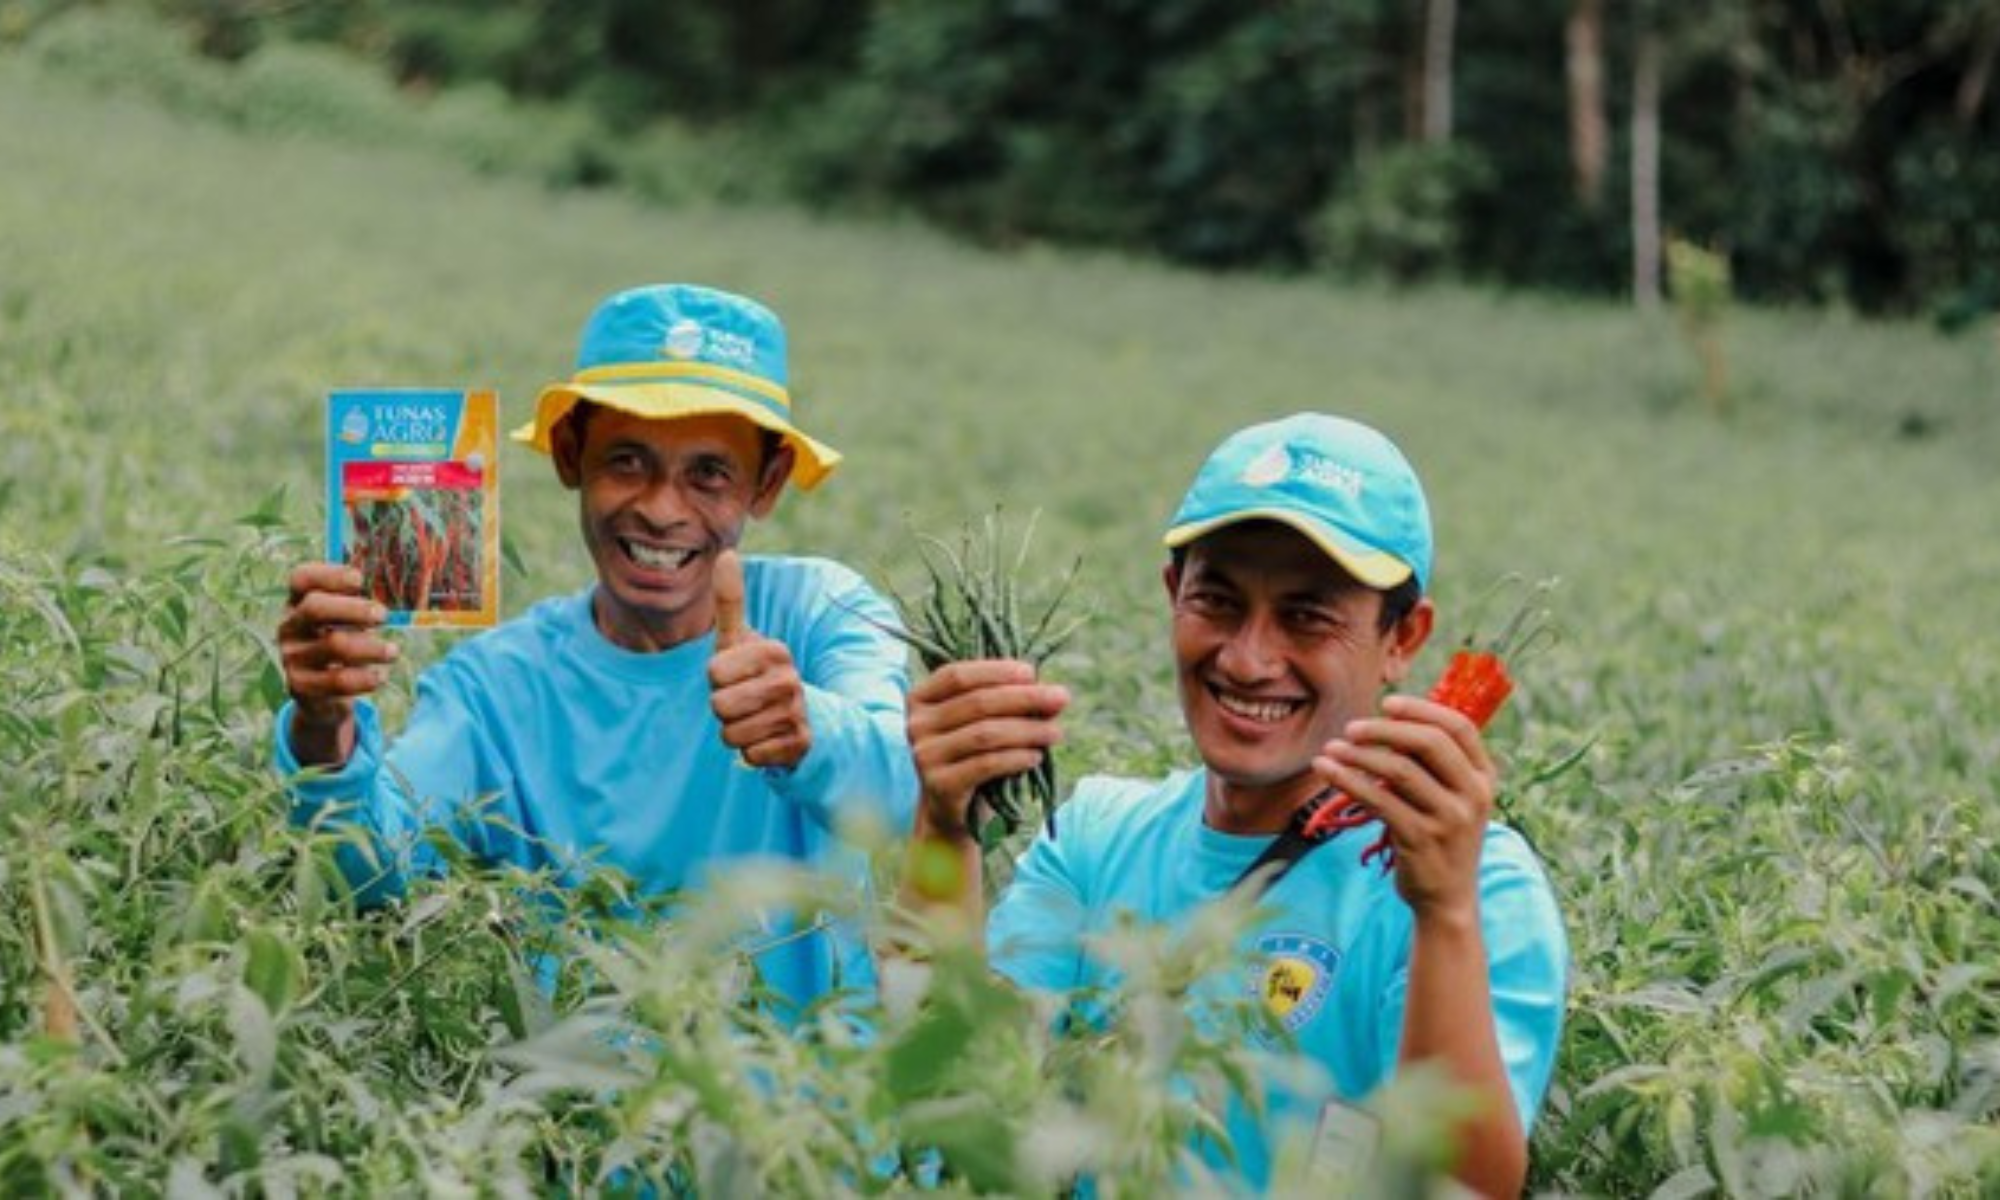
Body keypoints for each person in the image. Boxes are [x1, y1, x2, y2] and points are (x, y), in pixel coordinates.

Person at [901, 413, 1567, 1195]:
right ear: (1172, 593)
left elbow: (1461, 1189)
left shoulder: (1481, 887)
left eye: (1307, 616)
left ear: (1403, 639)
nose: (1249, 658)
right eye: (1217, 600)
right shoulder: (1093, 838)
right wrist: (943, 828)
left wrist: (1445, 913)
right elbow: (954, 1102)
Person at [276, 282, 918, 1013]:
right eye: (627, 462)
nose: (661, 509)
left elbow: (902, 792)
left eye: (709, 474)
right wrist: (323, 729)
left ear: (765, 484)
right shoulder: (494, 689)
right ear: (571, 455)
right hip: (576, 1105)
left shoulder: (820, 613)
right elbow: (370, 877)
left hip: (806, 1107)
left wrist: (806, 731)